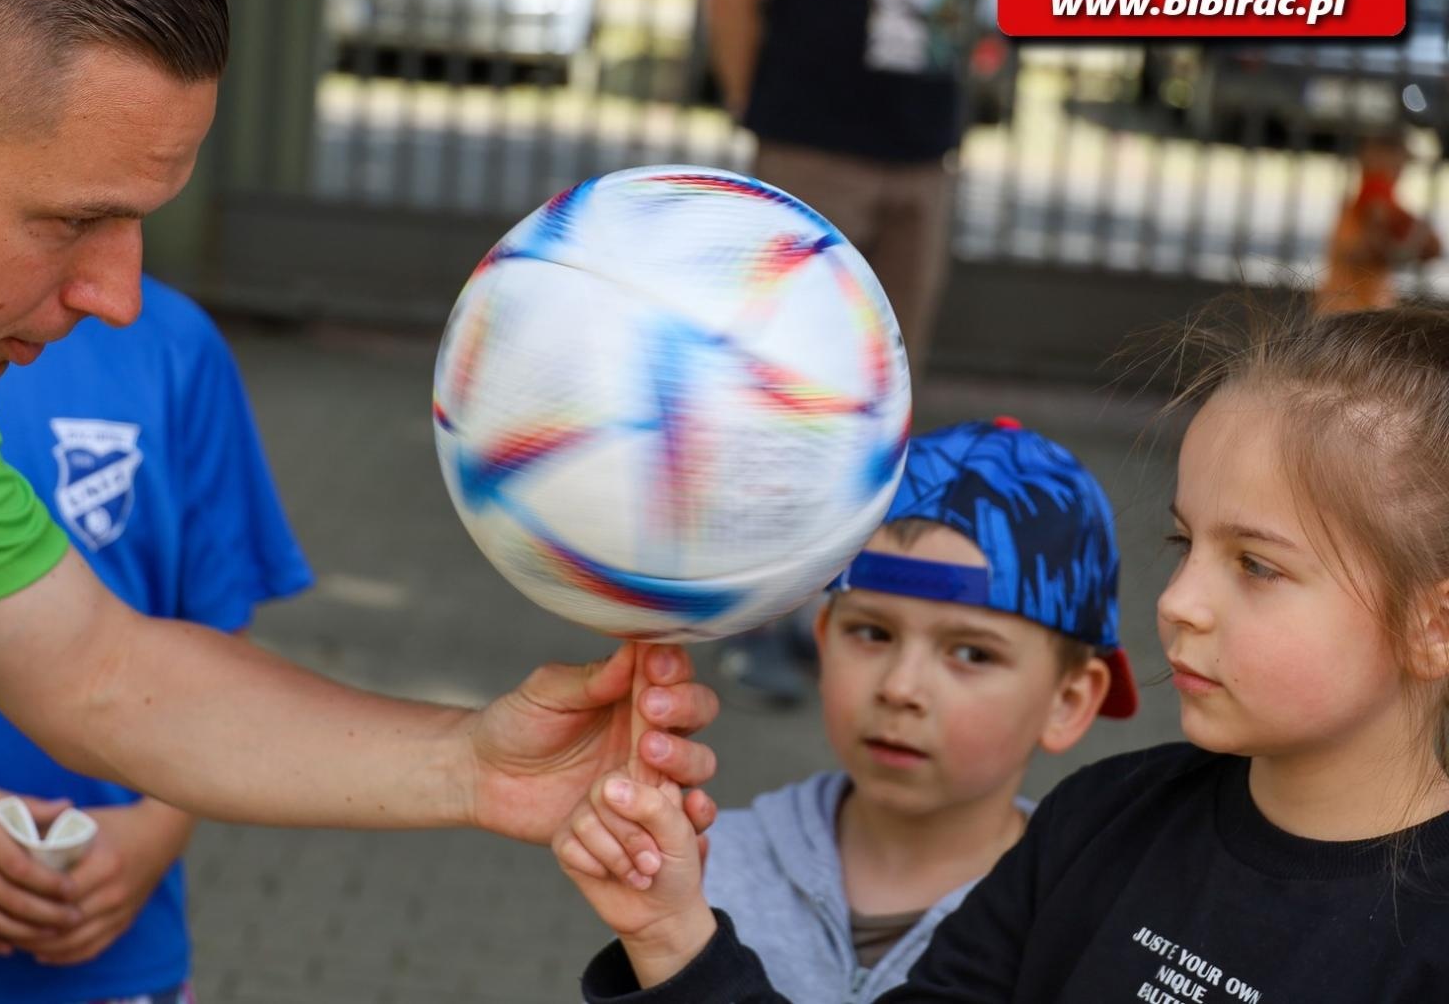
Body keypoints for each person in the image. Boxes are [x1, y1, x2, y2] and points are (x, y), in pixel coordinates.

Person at [0, 0, 715, 857]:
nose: (119, 296)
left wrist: (472, 763)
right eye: (73, 219)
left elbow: (96, 672)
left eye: (137, 221)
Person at [559, 304, 1449, 1002]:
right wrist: (674, 935)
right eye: (1184, 545)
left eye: (1256, 565)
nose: (1177, 601)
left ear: (1434, 624)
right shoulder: (1104, 818)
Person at [557, 419, 1138, 1001]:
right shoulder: (701, 869)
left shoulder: (1092, 927)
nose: (901, 687)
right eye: (873, 632)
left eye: (970, 652)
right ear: (823, 635)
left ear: (1068, 701)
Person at [0, 276, 311, 1004]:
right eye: (76, 214)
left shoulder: (174, 343)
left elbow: (173, 652)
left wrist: (157, 829)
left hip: (116, 952)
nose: (115, 282)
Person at [708, 0, 973, 382]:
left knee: (891, 378)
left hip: (924, 156)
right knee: (792, 366)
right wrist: (752, 106)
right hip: (813, 153)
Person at [1316, 127, 1441, 316]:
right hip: (1351, 317)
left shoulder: (1373, 203)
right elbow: (1369, 249)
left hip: (1361, 314)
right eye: (1397, 161)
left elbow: (1432, 247)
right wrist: (1409, 243)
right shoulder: (1370, 200)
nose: (1399, 170)